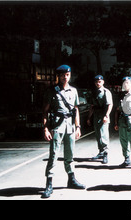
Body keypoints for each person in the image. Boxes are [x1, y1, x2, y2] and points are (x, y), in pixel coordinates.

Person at [42, 64, 85, 198]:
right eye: (62, 75)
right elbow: (45, 111)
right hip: (57, 126)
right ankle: (49, 183)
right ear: (58, 76)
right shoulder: (52, 91)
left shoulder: (73, 91)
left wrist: (78, 127)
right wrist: (45, 128)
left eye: (67, 75)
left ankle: (71, 179)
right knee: (54, 155)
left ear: (70, 75)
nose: (65, 77)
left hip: (70, 127)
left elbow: (76, 109)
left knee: (70, 155)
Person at [87, 75, 113, 164]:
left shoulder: (106, 92)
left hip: (103, 114)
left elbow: (110, 105)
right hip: (96, 115)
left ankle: (106, 153)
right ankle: (101, 152)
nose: (98, 83)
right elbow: (92, 106)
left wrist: (106, 115)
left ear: (103, 82)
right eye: (96, 82)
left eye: (100, 81)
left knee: (104, 135)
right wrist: (89, 117)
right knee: (98, 135)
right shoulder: (94, 92)